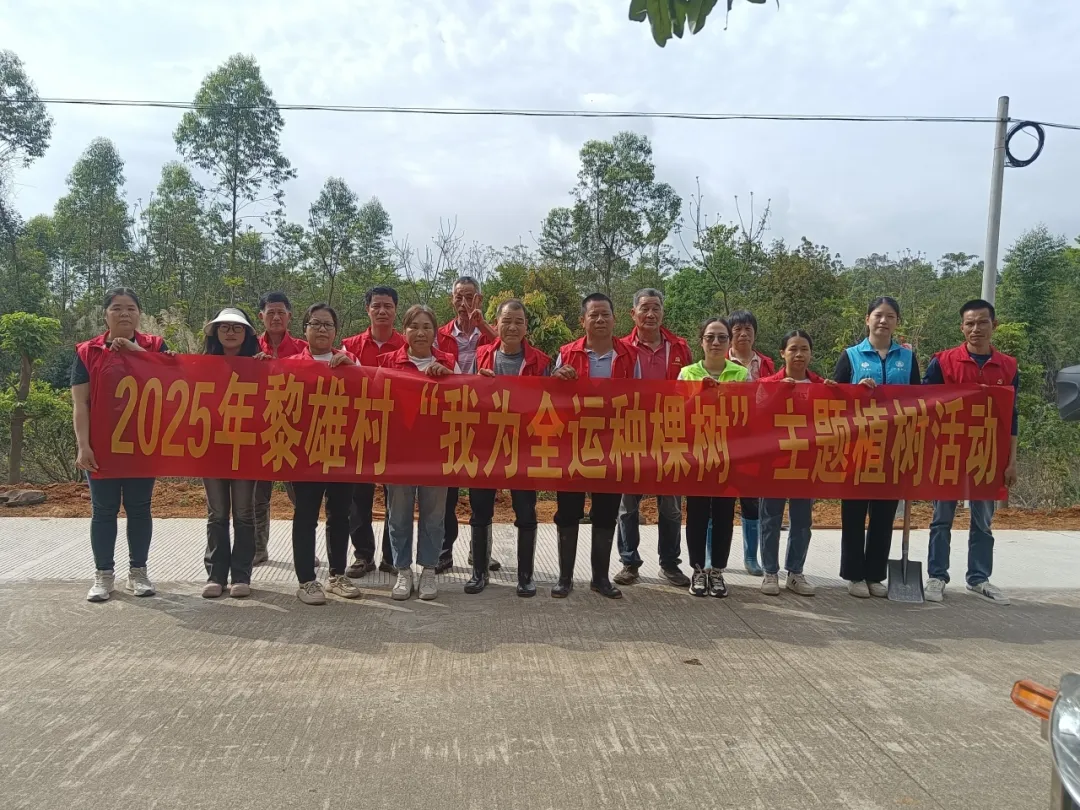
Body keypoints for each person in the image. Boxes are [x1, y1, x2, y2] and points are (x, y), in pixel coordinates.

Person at [72, 288, 169, 602]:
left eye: (130, 308)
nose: (124, 313)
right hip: (102, 446)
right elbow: (80, 403)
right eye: (116, 308)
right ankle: (103, 575)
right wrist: (83, 445)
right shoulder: (87, 351)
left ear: (140, 314)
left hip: (143, 444)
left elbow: (172, 377)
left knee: (140, 509)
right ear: (105, 315)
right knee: (103, 510)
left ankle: (138, 572)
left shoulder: (155, 346)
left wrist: (134, 350)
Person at [922, 299, 1018, 605]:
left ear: (994, 325)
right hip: (949, 452)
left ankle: (979, 578)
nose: (976, 329)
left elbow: (1012, 416)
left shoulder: (1008, 366)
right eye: (970, 323)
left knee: (982, 521)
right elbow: (921, 403)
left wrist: (1011, 461)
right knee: (941, 519)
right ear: (962, 327)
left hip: (987, 455)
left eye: (982, 322)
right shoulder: (943, 362)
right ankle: (937, 576)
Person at [550, 292, 641, 599]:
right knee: (568, 511)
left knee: (605, 511)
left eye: (605, 315)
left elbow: (642, 397)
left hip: (612, 444)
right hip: (573, 444)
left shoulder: (630, 356)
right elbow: (551, 396)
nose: (600, 320)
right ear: (583, 321)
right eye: (594, 315)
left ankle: (600, 578)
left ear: (615, 320)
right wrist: (556, 377)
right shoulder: (566, 353)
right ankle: (564, 578)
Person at [832, 296, 922, 598]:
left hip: (894, 447)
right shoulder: (851, 356)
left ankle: (874, 574)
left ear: (897, 322)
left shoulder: (907, 358)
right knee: (854, 513)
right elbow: (834, 398)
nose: (884, 321)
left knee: (884, 515)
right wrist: (855, 392)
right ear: (867, 319)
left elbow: (919, 399)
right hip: (858, 446)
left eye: (890, 316)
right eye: (878, 315)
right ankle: (853, 574)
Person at [467, 299, 551, 596]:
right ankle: (479, 573)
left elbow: (552, 404)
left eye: (518, 322)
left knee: (526, 511)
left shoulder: (541, 362)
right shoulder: (481, 357)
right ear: (497, 324)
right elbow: (466, 395)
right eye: (506, 321)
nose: (512, 327)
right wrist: (477, 383)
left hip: (524, 448)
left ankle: (525, 576)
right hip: (486, 446)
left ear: (526, 327)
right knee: (480, 510)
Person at [379, 305, 460, 601]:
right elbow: (373, 400)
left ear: (436, 332)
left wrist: (449, 378)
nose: (420, 332)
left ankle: (428, 569)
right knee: (398, 514)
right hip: (398, 453)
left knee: (434, 515)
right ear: (404, 331)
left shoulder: (448, 362)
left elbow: (465, 402)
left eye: (427, 326)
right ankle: (403, 570)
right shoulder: (388, 362)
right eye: (414, 326)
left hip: (436, 452)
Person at [283, 303, 362, 605]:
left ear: (336, 331)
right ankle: (306, 580)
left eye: (328, 325)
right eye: (315, 323)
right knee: (305, 515)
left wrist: (353, 371)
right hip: (305, 452)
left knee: (340, 514)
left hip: (342, 449)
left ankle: (337, 575)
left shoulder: (349, 361)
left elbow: (369, 394)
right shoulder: (291, 364)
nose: (321, 329)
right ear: (304, 330)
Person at [613, 288, 692, 589]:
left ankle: (670, 564)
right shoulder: (621, 348)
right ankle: (629, 562)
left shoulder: (679, 348)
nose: (650, 314)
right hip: (630, 433)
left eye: (656, 307)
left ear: (663, 312)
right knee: (628, 505)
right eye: (644, 308)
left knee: (671, 506)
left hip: (670, 434)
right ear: (632, 314)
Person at [757, 330, 837, 597]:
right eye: (793, 349)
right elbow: (756, 416)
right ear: (783, 353)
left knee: (802, 521)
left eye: (804, 349)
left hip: (807, 462)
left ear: (811, 353)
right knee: (770, 519)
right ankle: (770, 572)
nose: (799, 354)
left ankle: (795, 572)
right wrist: (777, 393)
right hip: (775, 461)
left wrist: (847, 392)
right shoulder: (768, 383)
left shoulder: (821, 385)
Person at [678, 318, 748, 598]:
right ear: (701, 342)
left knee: (723, 514)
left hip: (728, 457)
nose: (716, 342)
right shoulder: (687, 373)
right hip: (696, 456)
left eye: (721, 337)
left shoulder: (740, 374)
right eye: (710, 337)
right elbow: (675, 413)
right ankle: (697, 570)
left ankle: (717, 570)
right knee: (696, 513)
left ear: (729, 342)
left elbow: (749, 413)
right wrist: (699, 394)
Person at [342, 286, 405, 579]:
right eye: (376, 305)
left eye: (388, 306)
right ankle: (363, 555)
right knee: (359, 496)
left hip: (397, 429)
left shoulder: (407, 346)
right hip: (360, 428)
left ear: (395, 310)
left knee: (396, 495)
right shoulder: (349, 347)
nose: (382, 311)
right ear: (367, 309)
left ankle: (392, 556)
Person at [435, 276, 497, 575]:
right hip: (449, 419)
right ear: (451, 300)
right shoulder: (439, 335)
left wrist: (484, 325)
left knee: (482, 489)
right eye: (459, 297)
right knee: (447, 492)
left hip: (485, 420)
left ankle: (480, 551)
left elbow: (511, 347)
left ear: (479, 299)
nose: (464, 303)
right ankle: (444, 551)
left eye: (470, 297)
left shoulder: (490, 332)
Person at [200, 307, 260, 599]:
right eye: (224, 327)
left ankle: (241, 575)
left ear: (247, 333)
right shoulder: (201, 365)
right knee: (217, 513)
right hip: (211, 447)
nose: (231, 332)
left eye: (237, 328)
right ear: (216, 333)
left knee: (244, 514)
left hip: (246, 448)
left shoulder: (259, 365)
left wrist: (269, 368)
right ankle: (215, 575)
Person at [251, 291, 307, 567]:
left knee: (301, 497)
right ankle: (257, 549)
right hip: (258, 430)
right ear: (261, 316)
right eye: (270, 312)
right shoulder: (248, 347)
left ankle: (305, 549)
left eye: (280, 312)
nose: (275, 317)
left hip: (293, 430)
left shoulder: (303, 348)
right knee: (257, 496)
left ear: (289, 316)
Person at [726, 309, 775, 577]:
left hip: (757, 442)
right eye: (737, 330)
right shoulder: (718, 361)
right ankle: (712, 556)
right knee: (717, 498)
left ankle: (750, 557)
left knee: (752, 499)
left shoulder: (766, 364)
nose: (743, 334)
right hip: (724, 440)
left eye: (748, 329)